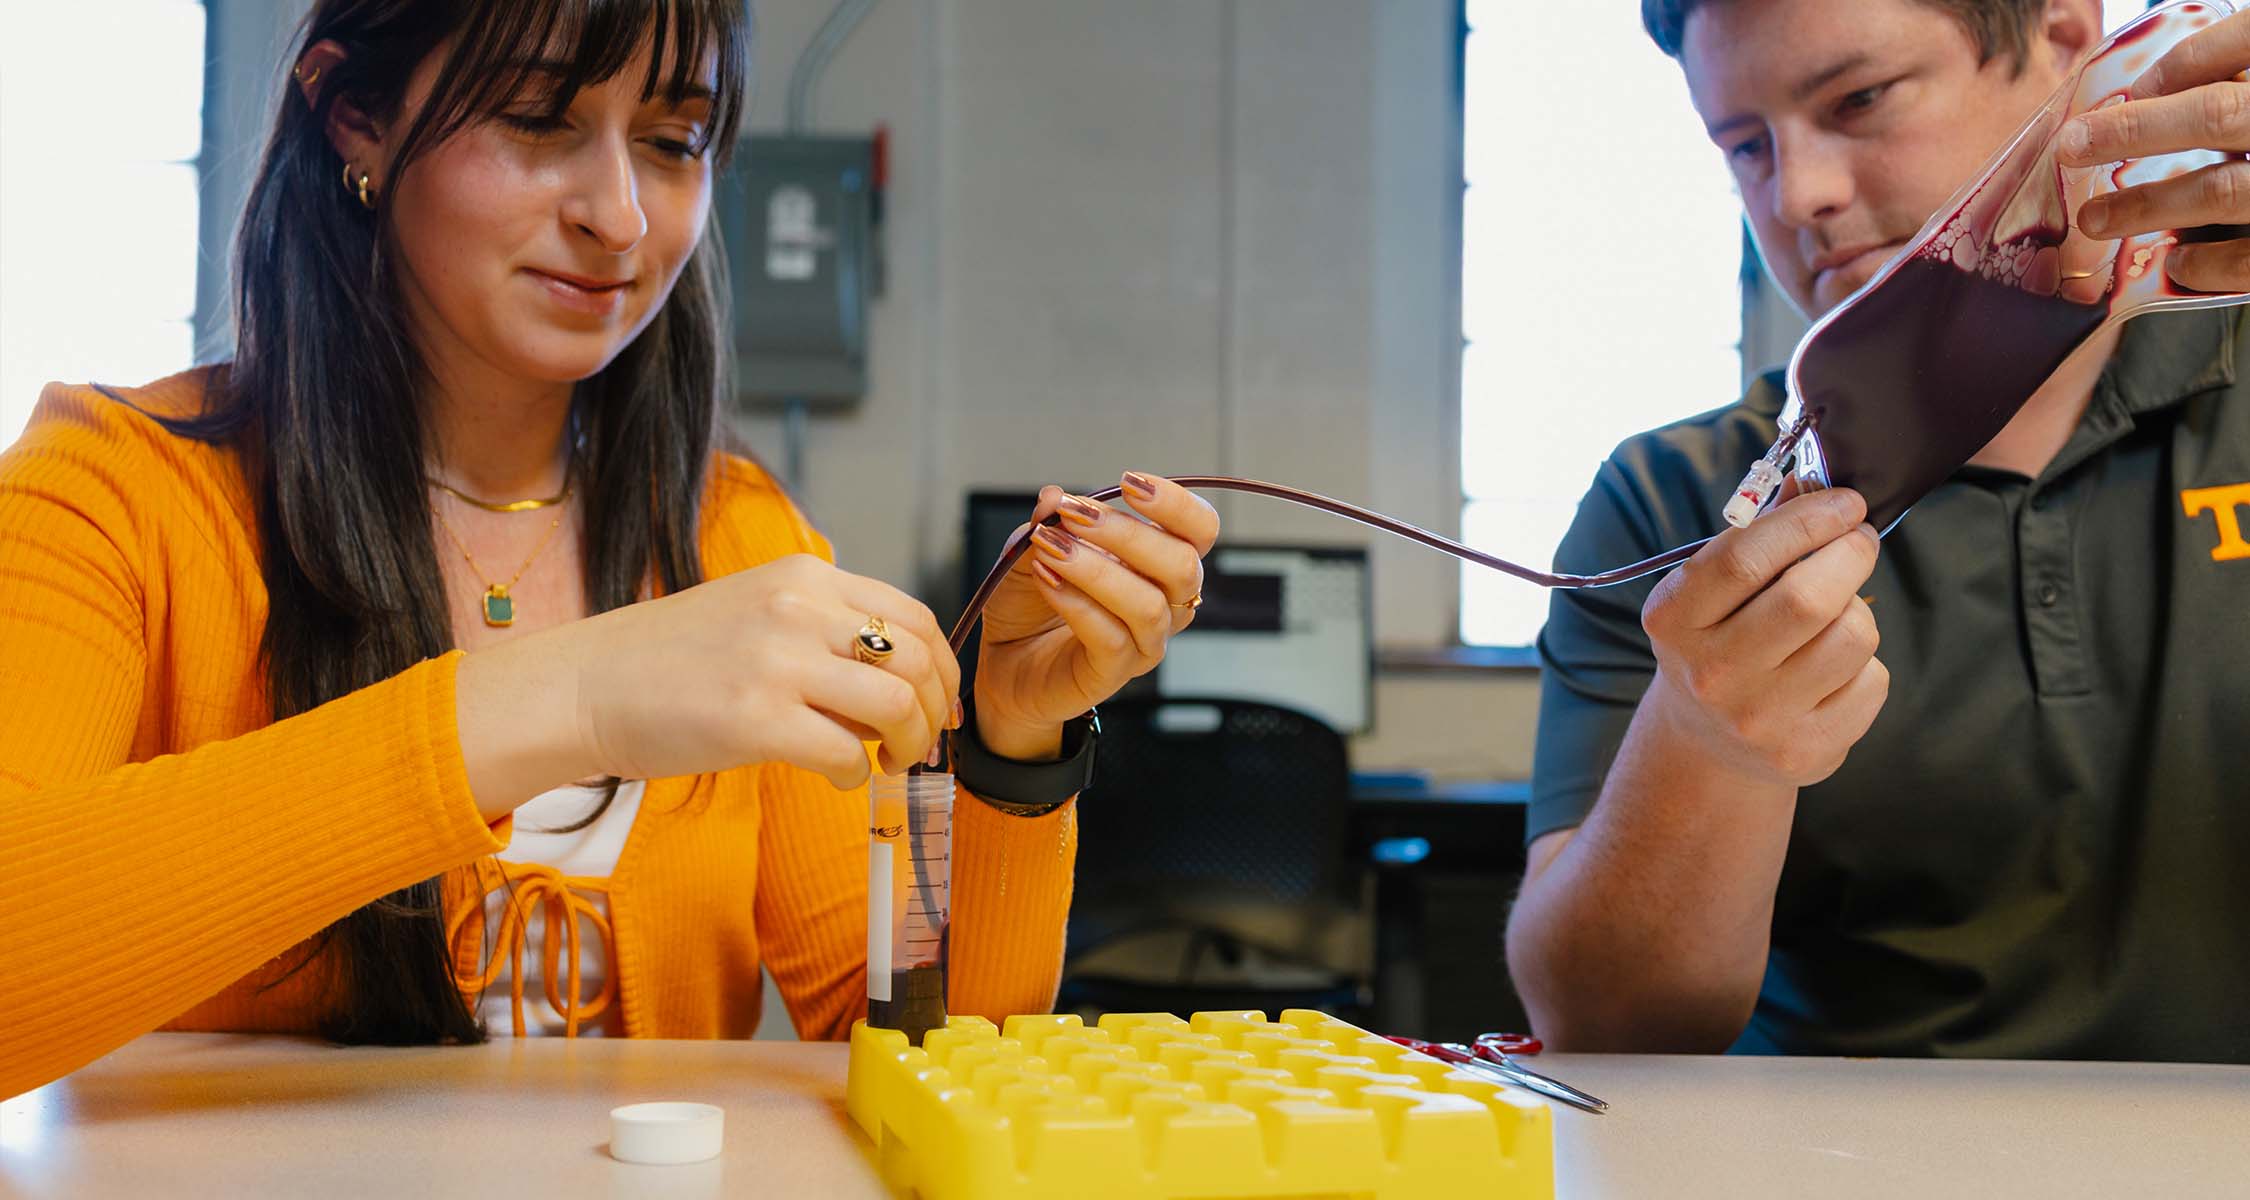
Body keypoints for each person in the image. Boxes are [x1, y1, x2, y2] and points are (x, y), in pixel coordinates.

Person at [0, 0, 1218, 1099]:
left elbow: (932, 1058)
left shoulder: (740, 536)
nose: (621, 217)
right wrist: (572, 695)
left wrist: (1010, 745)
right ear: (354, 113)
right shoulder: (116, 490)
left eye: (673, 141)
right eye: (539, 119)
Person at [1508, 0, 2250, 1060]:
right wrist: (1707, 743)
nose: (1796, 194)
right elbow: (1601, 1026)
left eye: (1859, 99)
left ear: (2064, 41)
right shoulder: (1671, 501)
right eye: (1745, 146)